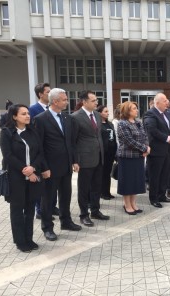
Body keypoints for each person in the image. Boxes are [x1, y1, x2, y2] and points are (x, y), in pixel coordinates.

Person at [34, 88, 82, 241]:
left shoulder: (67, 118)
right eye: (64, 99)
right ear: (55, 101)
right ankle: (47, 228)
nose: (67, 102)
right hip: (50, 168)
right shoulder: (41, 119)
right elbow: (38, 146)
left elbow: (71, 142)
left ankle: (66, 221)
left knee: (65, 196)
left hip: (66, 165)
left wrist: (74, 160)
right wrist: (44, 167)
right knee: (48, 199)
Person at [0, 104, 44, 252]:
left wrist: (34, 168)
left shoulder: (33, 131)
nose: (27, 116)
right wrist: (27, 171)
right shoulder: (7, 133)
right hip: (16, 178)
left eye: (28, 113)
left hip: (32, 177)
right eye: (23, 114)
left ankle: (29, 238)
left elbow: (40, 153)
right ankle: (20, 241)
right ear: (14, 117)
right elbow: (8, 156)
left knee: (30, 209)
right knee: (17, 210)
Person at [72, 90, 109, 227]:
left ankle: (95, 210)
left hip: (99, 157)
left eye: (96, 100)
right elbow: (73, 141)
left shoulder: (98, 116)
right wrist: (75, 160)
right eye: (93, 100)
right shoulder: (75, 117)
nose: (96, 103)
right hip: (85, 159)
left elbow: (97, 135)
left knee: (96, 186)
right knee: (84, 188)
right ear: (84, 101)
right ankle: (83, 214)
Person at [28, 83, 57, 219]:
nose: (50, 94)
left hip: (53, 152)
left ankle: (52, 206)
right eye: (48, 92)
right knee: (42, 182)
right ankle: (40, 209)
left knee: (53, 181)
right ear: (40, 94)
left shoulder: (54, 109)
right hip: (40, 152)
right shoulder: (33, 110)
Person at [143, 93, 170, 208]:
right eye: (165, 100)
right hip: (156, 150)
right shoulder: (150, 113)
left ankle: (162, 195)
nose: (167, 102)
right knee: (155, 175)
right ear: (157, 103)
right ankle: (154, 198)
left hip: (166, 149)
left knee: (164, 174)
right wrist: (167, 138)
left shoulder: (166, 113)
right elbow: (152, 130)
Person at [117, 101, 150, 214]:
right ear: (127, 111)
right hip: (127, 157)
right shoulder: (122, 124)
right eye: (134, 108)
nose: (137, 110)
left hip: (138, 157)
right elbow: (129, 140)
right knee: (128, 181)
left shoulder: (138, 122)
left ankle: (133, 203)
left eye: (136, 108)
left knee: (136, 181)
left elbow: (145, 135)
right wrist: (144, 148)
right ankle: (127, 205)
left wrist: (147, 146)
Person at [97, 105, 117, 200]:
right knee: (102, 173)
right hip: (103, 153)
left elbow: (114, 138)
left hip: (111, 152)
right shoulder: (98, 124)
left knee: (108, 173)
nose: (108, 113)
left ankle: (107, 192)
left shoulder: (110, 124)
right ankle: (102, 192)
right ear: (100, 113)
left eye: (108, 111)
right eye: (105, 111)